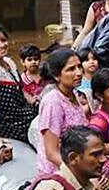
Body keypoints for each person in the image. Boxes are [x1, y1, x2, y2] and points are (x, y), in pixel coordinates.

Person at [31, 48, 89, 176]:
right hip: (59, 172)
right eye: (71, 69)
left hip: (77, 163)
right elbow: (51, 153)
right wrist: (80, 175)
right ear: (57, 75)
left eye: (79, 67)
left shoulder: (73, 95)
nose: (79, 73)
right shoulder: (53, 102)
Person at [74, 49, 99, 117]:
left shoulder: (101, 79)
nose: (92, 62)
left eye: (94, 59)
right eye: (87, 60)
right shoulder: (79, 82)